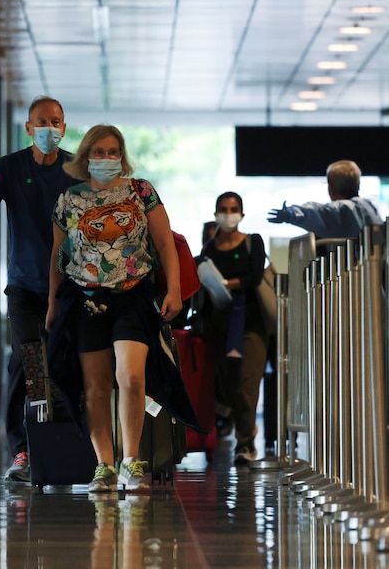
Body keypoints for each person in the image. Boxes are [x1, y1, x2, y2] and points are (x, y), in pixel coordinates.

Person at [44, 125, 183, 492]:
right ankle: (103, 465)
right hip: (85, 297)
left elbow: (165, 242)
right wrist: (51, 303)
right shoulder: (68, 200)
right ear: (86, 156)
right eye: (99, 151)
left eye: (113, 151)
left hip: (133, 294)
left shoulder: (141, 192)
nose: (107, 159)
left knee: (132, 376)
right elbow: (59, 255)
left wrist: (174, 289)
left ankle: (131, 461)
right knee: (96, 386)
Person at [0, 96, 80, 483]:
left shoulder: (75, 171)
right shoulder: (11, 168)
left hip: (69, 286)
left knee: (64, 360)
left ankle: (69, 443)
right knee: (27, 359)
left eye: (57, 121)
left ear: (64, 128)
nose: (50, 127)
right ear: (29, 128)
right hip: (25, 286)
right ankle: (22, 449)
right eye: (42, 121)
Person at [199, 192, 269, 464]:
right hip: (219, 327)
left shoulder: (252, 242)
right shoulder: (209, 249)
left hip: (250, 324)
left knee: (246, 384)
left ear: (242, 212)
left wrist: (227, 284)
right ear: (216, 212)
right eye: (224, 209)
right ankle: (245, 430)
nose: (229, 213)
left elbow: (253, 277)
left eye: (234, 208)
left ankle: (245, 443)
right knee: (228, 388)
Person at [267, 160, 381, 238]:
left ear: (330, 186)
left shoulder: (341, 209)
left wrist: (290, 214)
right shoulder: (371, 208)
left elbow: (312, 212)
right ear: (358, 185)